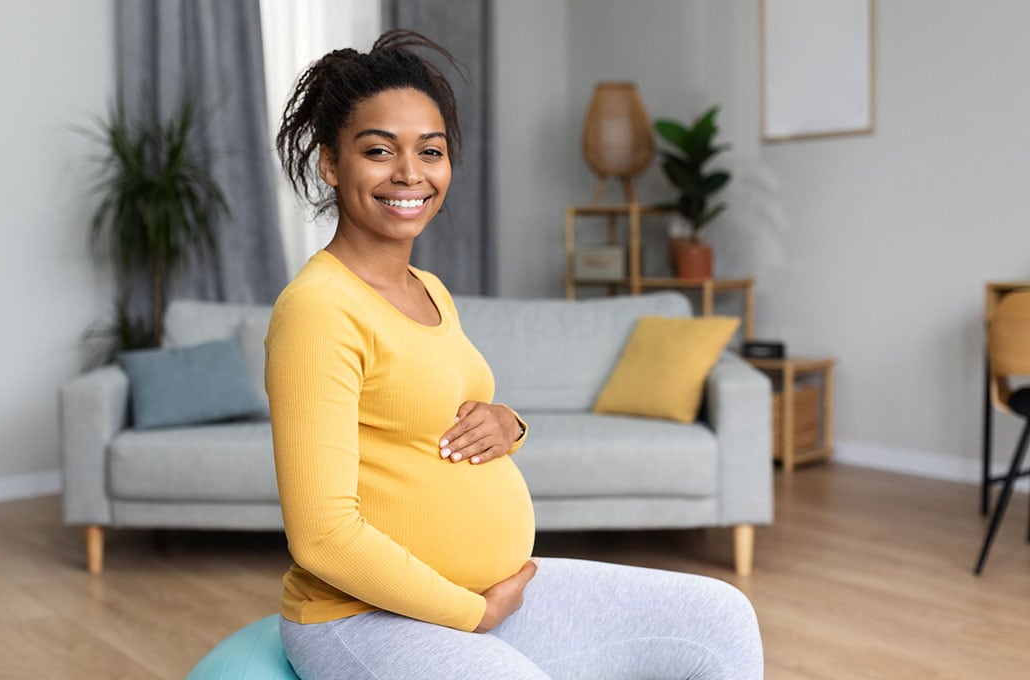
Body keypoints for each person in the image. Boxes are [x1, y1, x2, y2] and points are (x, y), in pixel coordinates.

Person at [265, 29, 764, 680]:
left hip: (491, 591)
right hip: (361, 619)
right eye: (379, 150)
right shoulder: (317, 310)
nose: (410, 174)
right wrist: (471, 614)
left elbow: (438, 414)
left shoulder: (430, 289)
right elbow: (322, 535)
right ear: (332, 163)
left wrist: (509, 424)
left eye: (431, 151)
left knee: (720, 619)